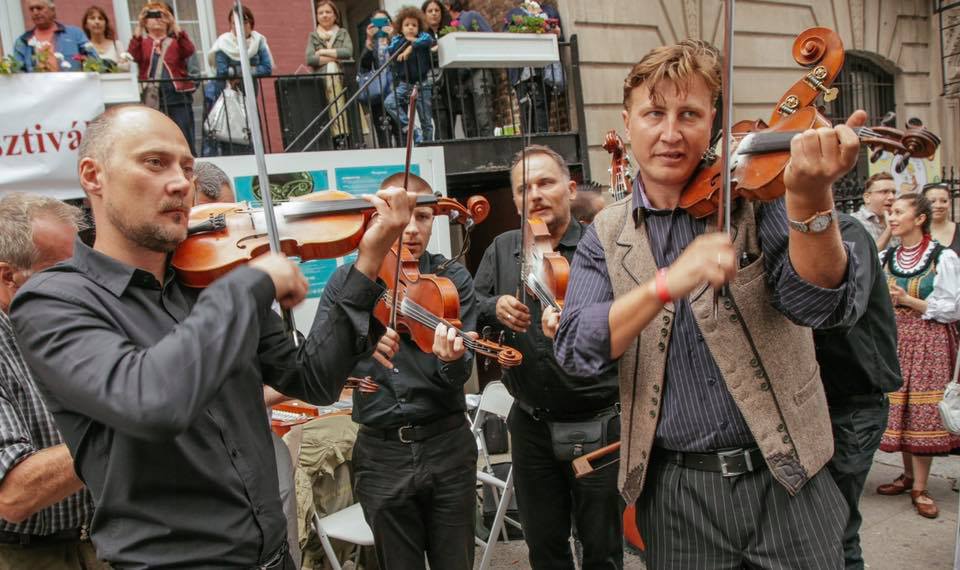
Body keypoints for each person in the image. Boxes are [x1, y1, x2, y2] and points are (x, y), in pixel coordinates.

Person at [8, 105, 414, 568]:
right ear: (92, 175)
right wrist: (251, 283)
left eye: (186, 167)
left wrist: (368, 260)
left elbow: (313, 379)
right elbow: (150, 401)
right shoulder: (54, 300)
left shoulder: (213, 281)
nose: (181, 183)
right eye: (154, 163)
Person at [554, 40, 863, 568]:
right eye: (655, 113)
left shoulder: (754, 201)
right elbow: (577, 350)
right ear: (627, 123)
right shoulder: (605, 234)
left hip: (787, 478)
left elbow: (820, 306)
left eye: (689, 114)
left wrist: (811, 199)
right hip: (675, 492)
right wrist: (665, 284)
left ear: (712, 121)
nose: (671, 133)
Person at [474, 145, 624, 569]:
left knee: (602, 551)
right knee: (543, 548)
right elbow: (472, 306)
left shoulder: (602, 244)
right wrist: (495, 307)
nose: (535, 195)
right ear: (516, 200)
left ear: (570, 188)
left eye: (545, 182)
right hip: (531, 425)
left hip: (598, 422)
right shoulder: (504, 249)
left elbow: (630, 316)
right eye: (524, 188)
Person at [320, 172, 477, 570]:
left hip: (447, 445)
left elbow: (460, 374)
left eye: (422, 216)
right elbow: (322, 367)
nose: (411, 228)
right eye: (401, 216)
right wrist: (358, 345)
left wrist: (452, 359)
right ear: (379, 218)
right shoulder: (346, 282)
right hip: (381, 454)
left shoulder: (451, 279)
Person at [0, 194, 109, 570]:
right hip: (25, 555)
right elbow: (14, 493)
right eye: (62, 272)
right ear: (8, 277)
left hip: (103, 541)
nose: (82, 285)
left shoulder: (71, 322)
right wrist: (130, 425)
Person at [814, 213, 902, 569]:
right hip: (811, 406)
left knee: (835, 530)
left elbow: (839, 311)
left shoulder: (845, 232)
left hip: (850, 405)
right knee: (810, 531)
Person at [875, 192, 960, 520]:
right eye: (891, 212)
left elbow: (952, 308)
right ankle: (908, 476)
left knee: (923, 410)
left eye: (899, 213)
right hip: (895, 339)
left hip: (929, 342)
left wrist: (908, 301)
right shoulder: (888, 256)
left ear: (919, 219)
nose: (893, 218)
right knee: (901, 408)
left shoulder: (943, 257)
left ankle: (920, 488)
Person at [128, 2, 198, 155]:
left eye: (162, 15)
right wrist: (139, 25)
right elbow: (133, 54)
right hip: (152, 98)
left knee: (183, 136)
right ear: (146, 21)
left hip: (177, 97)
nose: (157, 18)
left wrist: (173, 23)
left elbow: (189, 49)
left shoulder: (176, 42)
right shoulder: (142, 43)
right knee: (154, 136)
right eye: (152, 15)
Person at [205, 5, 273, 156]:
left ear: (251, 23)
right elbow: (222, 71)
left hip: (249, 92)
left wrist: (238, 71)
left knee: (251, 127)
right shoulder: (224, 42)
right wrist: (250, 70)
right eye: (234, 23)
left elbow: (267, 68)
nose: (239, 26)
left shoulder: (258, 41)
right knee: (230, 129)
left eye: (244, 22)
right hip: (228, 92)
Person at [504, 1, 564, 134]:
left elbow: (560, 37)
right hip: (522, 73)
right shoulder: (515, 13)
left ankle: (541, 142)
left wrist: (555, 32)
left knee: (542, 110)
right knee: (526, 114)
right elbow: (507, 36)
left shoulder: (549, 11)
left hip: (543, 71)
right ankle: (530, 144)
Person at [384, 7, 435, 144]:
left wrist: (411, 46)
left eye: (414, 25)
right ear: (401, 28)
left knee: (426, 121)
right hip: (405, 84)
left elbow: (428, 40)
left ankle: (428, 145)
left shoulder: (423, 37)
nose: (411, 27)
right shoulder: (398, 40)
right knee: (389, 102)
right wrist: (396, 38)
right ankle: (411, 129)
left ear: (419, 27)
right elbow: (391, 50)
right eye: (407, 25)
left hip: (422, 84)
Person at [306, 1, 353, 149]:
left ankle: (344, 139)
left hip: (342, 80)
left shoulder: (342, 33)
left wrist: (322, 52)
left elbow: (348, 52)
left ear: (335, 15)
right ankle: (334, 140)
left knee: (345, 109)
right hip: (321, 82)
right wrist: (335, 58)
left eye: (328, 12)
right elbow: (310, 59)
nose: (324, 15)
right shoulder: (313, 36)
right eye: (321, 13)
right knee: (326, 112)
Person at [443, 1, 494, 137]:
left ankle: (490, 146)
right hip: (460, 77)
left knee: (483, 116)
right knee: (468, 123)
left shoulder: (471, 16)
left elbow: (489, 36)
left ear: (448, 5)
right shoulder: (447, 26)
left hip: (477, 70)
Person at [14, 0, 100, 72]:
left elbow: (95, 61)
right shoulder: (22, 41)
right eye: (31, 9)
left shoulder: (75, 34)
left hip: (72, 86)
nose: (35, 12)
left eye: (39, 8)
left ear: (52, 10)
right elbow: (18, 73)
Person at [359, 8, 397, 148]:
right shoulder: (372, 44)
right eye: (377, 23)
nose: (381, 26)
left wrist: (393, 37)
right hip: (378, 93)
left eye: (384, 22)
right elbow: (364, 65)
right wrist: (369, 40)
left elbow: (401, 59)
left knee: (400, 131)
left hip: (396, 91)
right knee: (383, 135)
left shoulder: (397, 41)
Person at [422, 0, 455, 140]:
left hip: (450, 84)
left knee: (451, 123)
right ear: (424, 14)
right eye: (430, 11)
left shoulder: (448, 31)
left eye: (437, 10)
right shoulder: (422, 35)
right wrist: (437, 51)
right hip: (433, 85)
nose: (434, 13)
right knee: (440, 123)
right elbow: (423, 58)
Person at [851, 172, 898, 250]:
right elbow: (865, 255)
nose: (891, 197)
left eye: (893, 192)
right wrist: (889, 230)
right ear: (867, 198)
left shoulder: (898, 219)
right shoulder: (854, 222)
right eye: (884, 192)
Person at [81, 5, 129, 71]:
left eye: (100, 18)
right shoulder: (84, 47)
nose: (97, 22)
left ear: (105, 24)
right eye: (92, 18)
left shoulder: (117, 45)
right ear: (86, 25)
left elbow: (126, 69)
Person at [924, 183, 960, 257]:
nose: (938, 206)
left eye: (944, 201)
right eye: (932, 201)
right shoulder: (916, 232)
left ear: (950, 203)